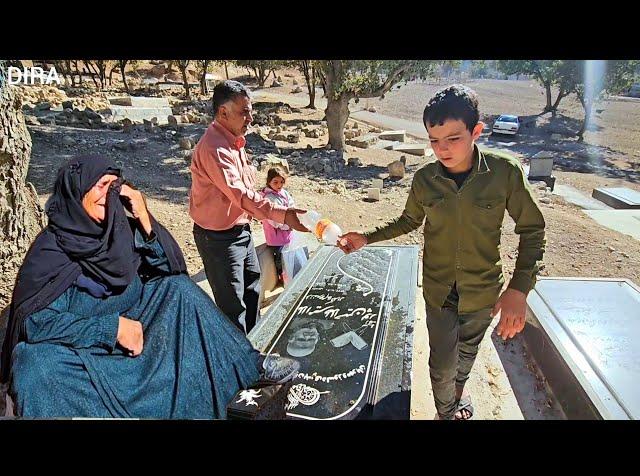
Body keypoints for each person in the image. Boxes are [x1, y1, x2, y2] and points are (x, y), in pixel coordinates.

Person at [0, 154, 300, 419]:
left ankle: (250, 364)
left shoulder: (120, 231)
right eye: (101, 185)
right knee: (33, 363)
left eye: (114, 186)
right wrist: (111, 329)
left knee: (178, 290)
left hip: (141, 339)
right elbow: (35, 324)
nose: (109, 194)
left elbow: (173, 268)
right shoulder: (50, 252)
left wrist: (144, 218)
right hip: (86, 354)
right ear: (76, 191)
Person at [339, 85, 546, 420]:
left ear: (476, 131)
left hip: (482, 291)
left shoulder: (504, 173)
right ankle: (446, 412)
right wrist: (367, 237)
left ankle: (456, 395)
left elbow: (533, 230)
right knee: (441, 362)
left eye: (453, 138)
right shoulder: (425, 179)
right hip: (438, 292)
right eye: (434, 140)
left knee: (466, 356)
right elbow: (409, 220)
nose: (442, 149)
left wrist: (519, 289)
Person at [190, 80, 307, 335]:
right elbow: (240, 195)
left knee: (253, 293)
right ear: (223, 112)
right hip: (218, 239)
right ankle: (240, 367)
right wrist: (282, 215)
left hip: (240, 231)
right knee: (234, 310)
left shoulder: (234, 142)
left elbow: (248, 192)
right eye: (244, 112)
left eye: (250, 111)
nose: (250, 118)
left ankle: (256, 350)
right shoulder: (215, 148)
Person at [261, 166, 296, 282]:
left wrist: (292, 215)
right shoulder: (268, 198)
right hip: (276, 236)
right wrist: (288, 224)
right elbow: (274, 220)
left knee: (288, 254)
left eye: (281, 182)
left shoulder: (283, 193)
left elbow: (291, 203)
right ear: (269, 182)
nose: (279, 185)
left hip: (287, 231)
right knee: (279, 257)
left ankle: (289, 274)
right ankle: (281, 277)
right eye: (275, 182)